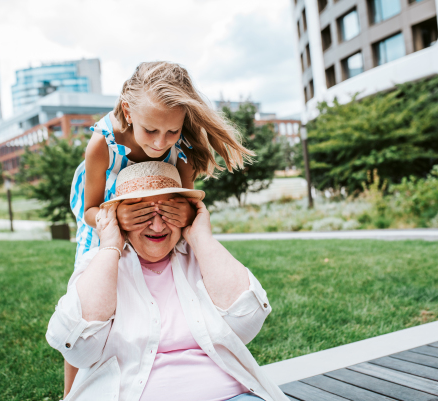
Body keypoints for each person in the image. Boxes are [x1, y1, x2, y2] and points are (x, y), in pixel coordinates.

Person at [68, 61, 255, 391]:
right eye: (151, 131)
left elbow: (184, 203)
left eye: (171, 131)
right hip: (106, 212)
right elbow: (89, 209)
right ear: (128, 111)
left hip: (155, 212)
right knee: (84, 300)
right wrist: (116, 222)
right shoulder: (103, 143)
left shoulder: (181, 149)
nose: (159, 143)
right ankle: (71, 391)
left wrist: (182, 219)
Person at [48, 161, 288, 401]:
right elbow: (79, 349)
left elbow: (247, 321)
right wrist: (110, 244)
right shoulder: (99, 264)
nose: (158, 225)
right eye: (142, 214)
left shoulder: (200, 257)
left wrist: (202, 236)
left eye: (168, 212)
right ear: (121, 219)